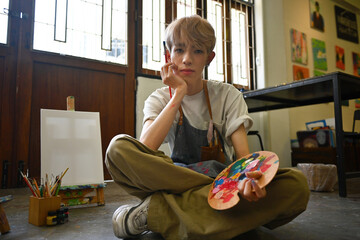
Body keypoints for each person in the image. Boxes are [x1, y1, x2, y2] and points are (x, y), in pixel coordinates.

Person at [105, 15, 310, 240]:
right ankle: (214, 209)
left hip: (225, 181)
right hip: (176, 180)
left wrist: (248, 181)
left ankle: (154, 212)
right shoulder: (159, 98)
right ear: (168, 54)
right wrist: (178, 95)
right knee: (118, 149)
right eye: (180, 50)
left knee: (296, 185)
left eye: (197, 51)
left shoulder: (227, 95)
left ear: (209, 58)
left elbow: (245, 158)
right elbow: (144, 150)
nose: (187, 59)